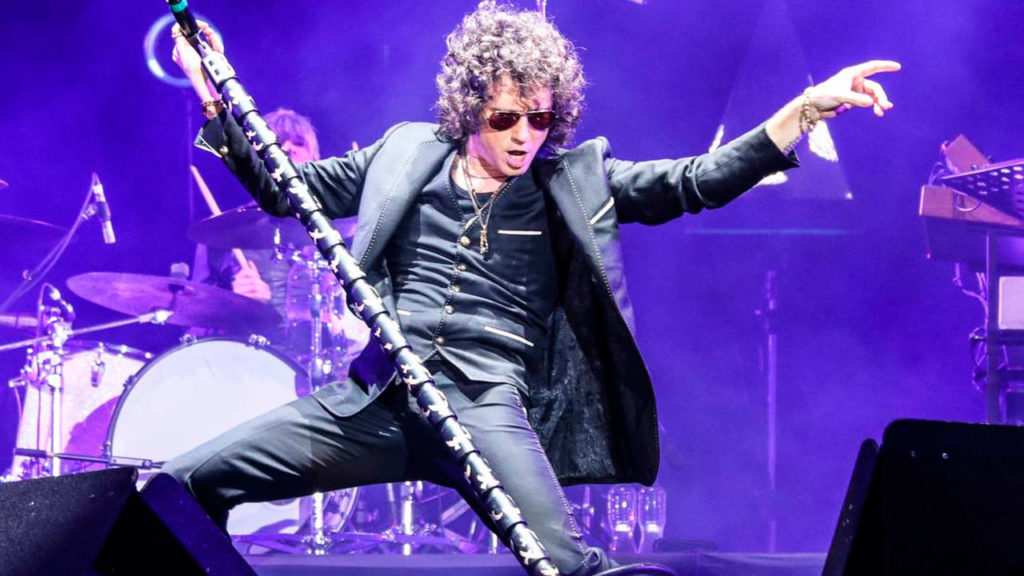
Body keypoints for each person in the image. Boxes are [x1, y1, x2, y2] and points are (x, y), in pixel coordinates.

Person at [167, 3, 899, 574]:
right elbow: (282, 188)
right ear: (470, 107)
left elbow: (694, 181)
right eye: (506, 118)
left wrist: (805, 110)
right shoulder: (403, 151)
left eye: (541, 119)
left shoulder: (575, 179)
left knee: (570, 566)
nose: (525, 135)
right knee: (184, 486)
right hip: (375, 401)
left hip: (487, 406)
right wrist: (210, 90)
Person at [191, 108, 368, 373]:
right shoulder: (223, 233)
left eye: (299, 143)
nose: (288, 149)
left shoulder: (343, 232)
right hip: (249, 367)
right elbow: (193, 316)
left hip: (329, 370)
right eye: (277, 142)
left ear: (315, 158)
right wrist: (234, 304)